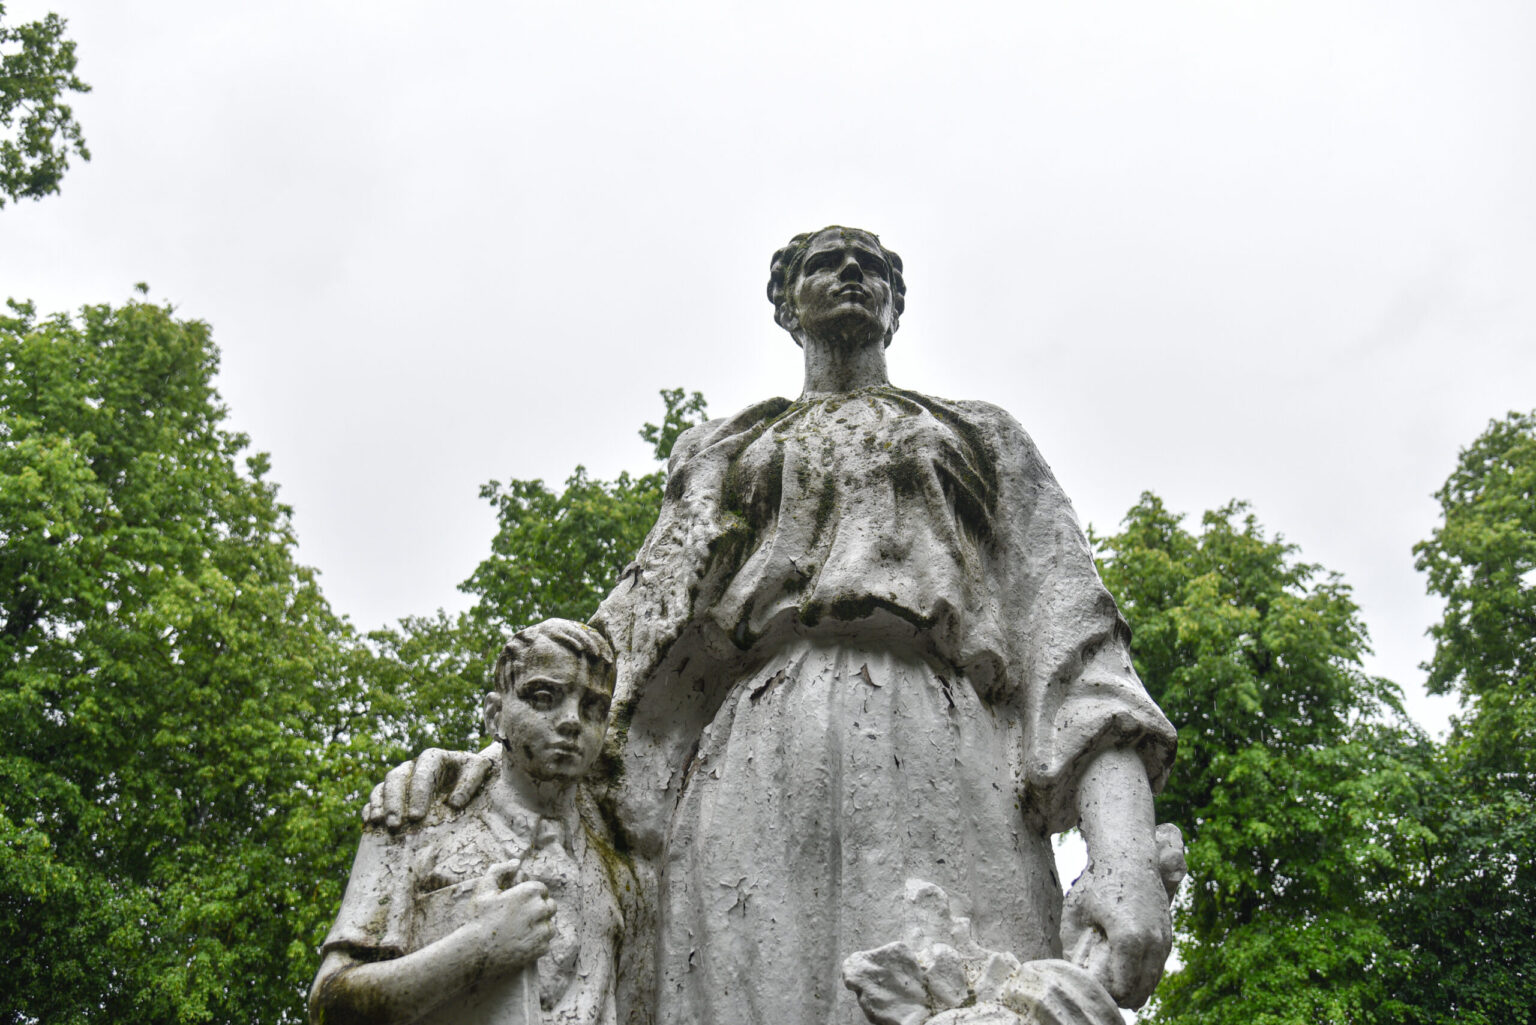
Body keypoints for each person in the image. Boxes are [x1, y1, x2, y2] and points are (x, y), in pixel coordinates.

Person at [372, 228, 1180, 1025]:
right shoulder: (729, 449)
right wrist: (485, 772)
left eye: (873, 265)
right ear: (786, 305)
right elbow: (619, 646)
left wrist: (1125, 855)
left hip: (946, 748)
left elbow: (1074, 646)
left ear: (897, 307)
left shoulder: (980, 435)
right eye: (828, 261)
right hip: (749, 765)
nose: (853, 271)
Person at [310, 620, 636, 1025]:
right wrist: (478, 948)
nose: (572, 720)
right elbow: (330, 1004)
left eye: (593, 707)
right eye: (544, 696)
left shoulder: (618, 875)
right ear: (495, 715)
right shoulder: (413, 824)